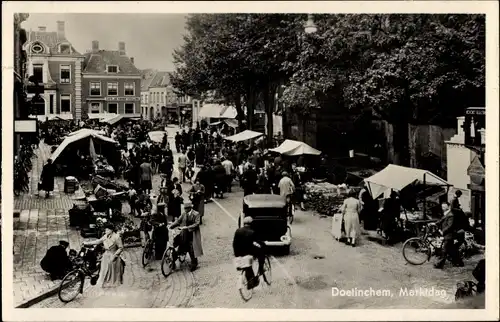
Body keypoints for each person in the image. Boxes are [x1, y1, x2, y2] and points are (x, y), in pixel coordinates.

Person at [434, 201, 474, 269]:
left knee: (445, 250)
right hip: (449, 234)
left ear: (448, 206)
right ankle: (459, 262)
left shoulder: (451, 215)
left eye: (444, 206)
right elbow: (442, 220)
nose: (442, 207)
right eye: (442, 206)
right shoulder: (447, 213)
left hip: (450, 235)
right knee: (452, 250)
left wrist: (443, 232)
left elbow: (450, 226)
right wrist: (435, 224)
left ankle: (439, 264)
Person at [83, 223, 125, 287]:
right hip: (106, 255)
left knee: (111, 271)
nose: (106, 231)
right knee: (104, 269)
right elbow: (98, 241)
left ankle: (112, 283)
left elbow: (121, 248)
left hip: (113, 256)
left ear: (111, 230)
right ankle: (104, 282)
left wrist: (115, 256)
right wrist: (87, 243)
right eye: (106, 230)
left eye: (107, 230)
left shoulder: (117, 237)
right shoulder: (105, 236)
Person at [232, 217, 265, 289]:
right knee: (261, 254)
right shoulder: (252, 232)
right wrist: (263, 244)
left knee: (247, 266)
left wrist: (236, 254)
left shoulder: (238, 231)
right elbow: (257, 242)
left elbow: (234, 244)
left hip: (239, 253)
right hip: (248, 252)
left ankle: (250, 280)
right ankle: (261, 269)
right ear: (251, 224)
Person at [169, 202, 203, 271]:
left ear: (190, 208)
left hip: (192, 234)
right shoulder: (184, 214)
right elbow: (178, 221)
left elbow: (196, 224)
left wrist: (187, 227)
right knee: (179, 246)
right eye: (185, 208)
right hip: (184, 234)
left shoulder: (196, 214)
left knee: (192, 249)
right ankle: (173, 261)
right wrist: (171, 226)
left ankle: (194, 264)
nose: (185, 210)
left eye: (186, 208)